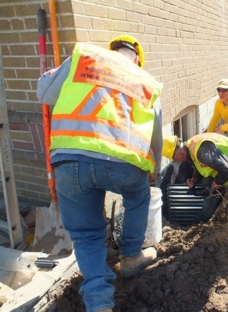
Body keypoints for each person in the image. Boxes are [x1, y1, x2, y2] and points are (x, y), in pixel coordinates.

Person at [36, 34, 163, 312]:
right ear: (137, 58)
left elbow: (44, 92)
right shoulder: (145, 80)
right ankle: (130, 256)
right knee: (139, 198)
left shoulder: (84, 58)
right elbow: (155, 137)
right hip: (124, 162)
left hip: (69, 161)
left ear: (112, 50)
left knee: (86, 235)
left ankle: (99, 303)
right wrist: (153, 169)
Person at [162, 133, 228, 222]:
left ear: (179, 155)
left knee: (208, 203)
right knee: (203, 188)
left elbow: (227, 169)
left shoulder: (201, 151)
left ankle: (199, 224)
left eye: (174, 159)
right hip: (219, 167)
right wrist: (195, 178)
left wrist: (217, 182)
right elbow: (201, 165)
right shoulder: (191, 147)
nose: (176, 161)